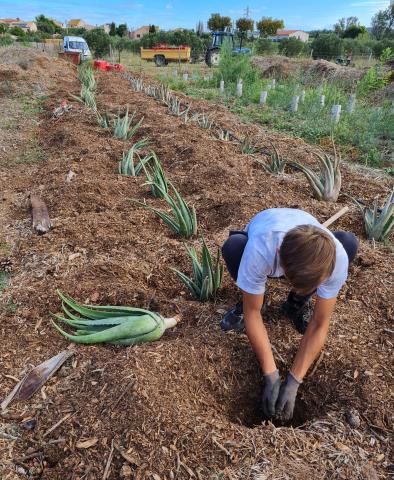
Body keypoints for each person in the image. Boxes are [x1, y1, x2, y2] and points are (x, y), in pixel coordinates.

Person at [221, 208, 358, 420]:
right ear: (279, 260)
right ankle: (255, 293)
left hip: (306, 250)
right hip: (264, 231)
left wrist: (294, 381)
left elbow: (320, 323)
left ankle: (296, 304)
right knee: (234, 246)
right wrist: (271, 374)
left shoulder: (336, 259)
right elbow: (252, 313)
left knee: (349, 242)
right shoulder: (261, 249)